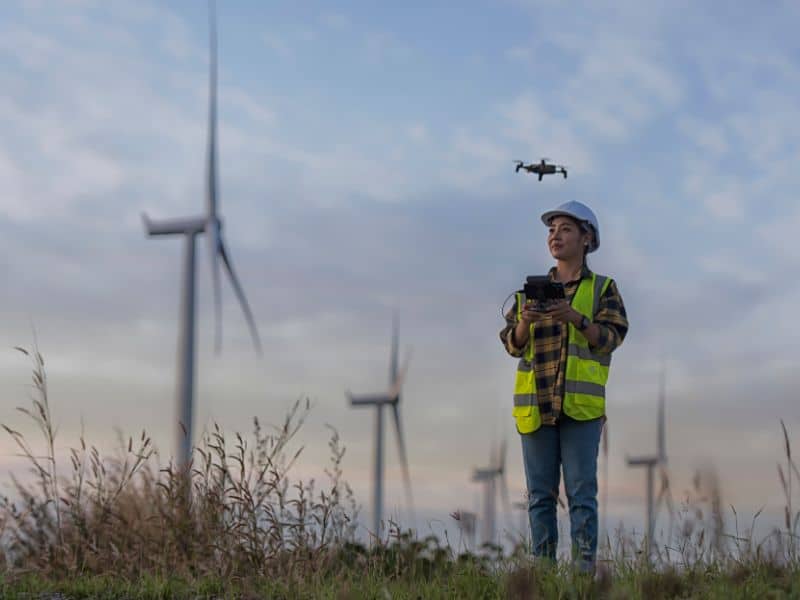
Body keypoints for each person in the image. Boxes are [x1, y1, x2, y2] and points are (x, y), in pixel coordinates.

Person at [498, 200, 628, 574]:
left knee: (582, 496)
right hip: (536, 405)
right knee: (540, 497)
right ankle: (543, 578)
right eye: (551, 230)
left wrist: (575, 318)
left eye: (565, 229)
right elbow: (511, 344)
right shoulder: (528, 293)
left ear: (587, 239)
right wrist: (524, 323)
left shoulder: (604, 289)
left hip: (580, 410)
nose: (555, 236)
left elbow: (611, 337)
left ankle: (583, 578)